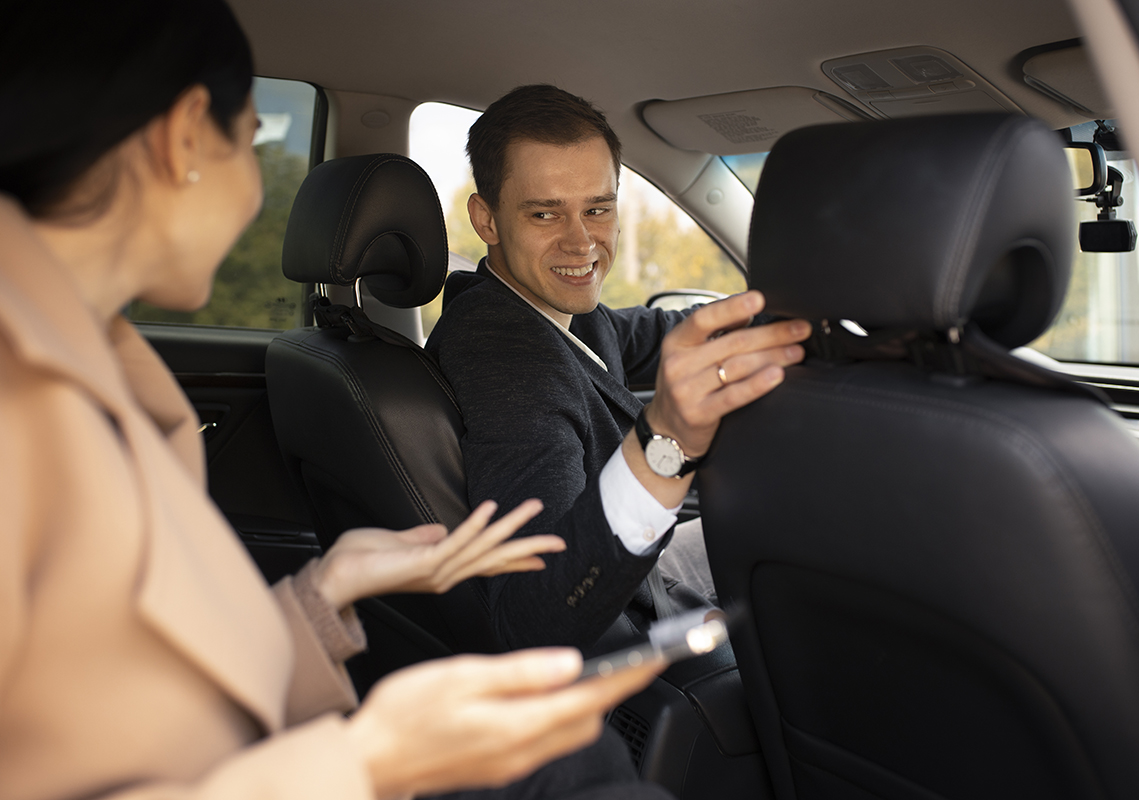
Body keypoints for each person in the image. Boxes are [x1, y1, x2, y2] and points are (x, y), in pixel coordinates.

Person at [0, 4, 672, 800]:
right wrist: (366, 762)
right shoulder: (24, 406)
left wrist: (321, 599)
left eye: (596, 207)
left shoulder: (96, 360)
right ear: (185, 136)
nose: (260, 195)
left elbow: (106, 691)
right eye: (254, 141)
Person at [426, 85, 812, 652]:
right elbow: (535, 617)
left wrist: (802, 312)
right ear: (486, 219)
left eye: (598, 209)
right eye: (544, 213)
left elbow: (666, 332)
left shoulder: (543, 309)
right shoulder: (508, 357)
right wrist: (668, 442)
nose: (582, 242)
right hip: (631, 625)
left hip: (638, 571)